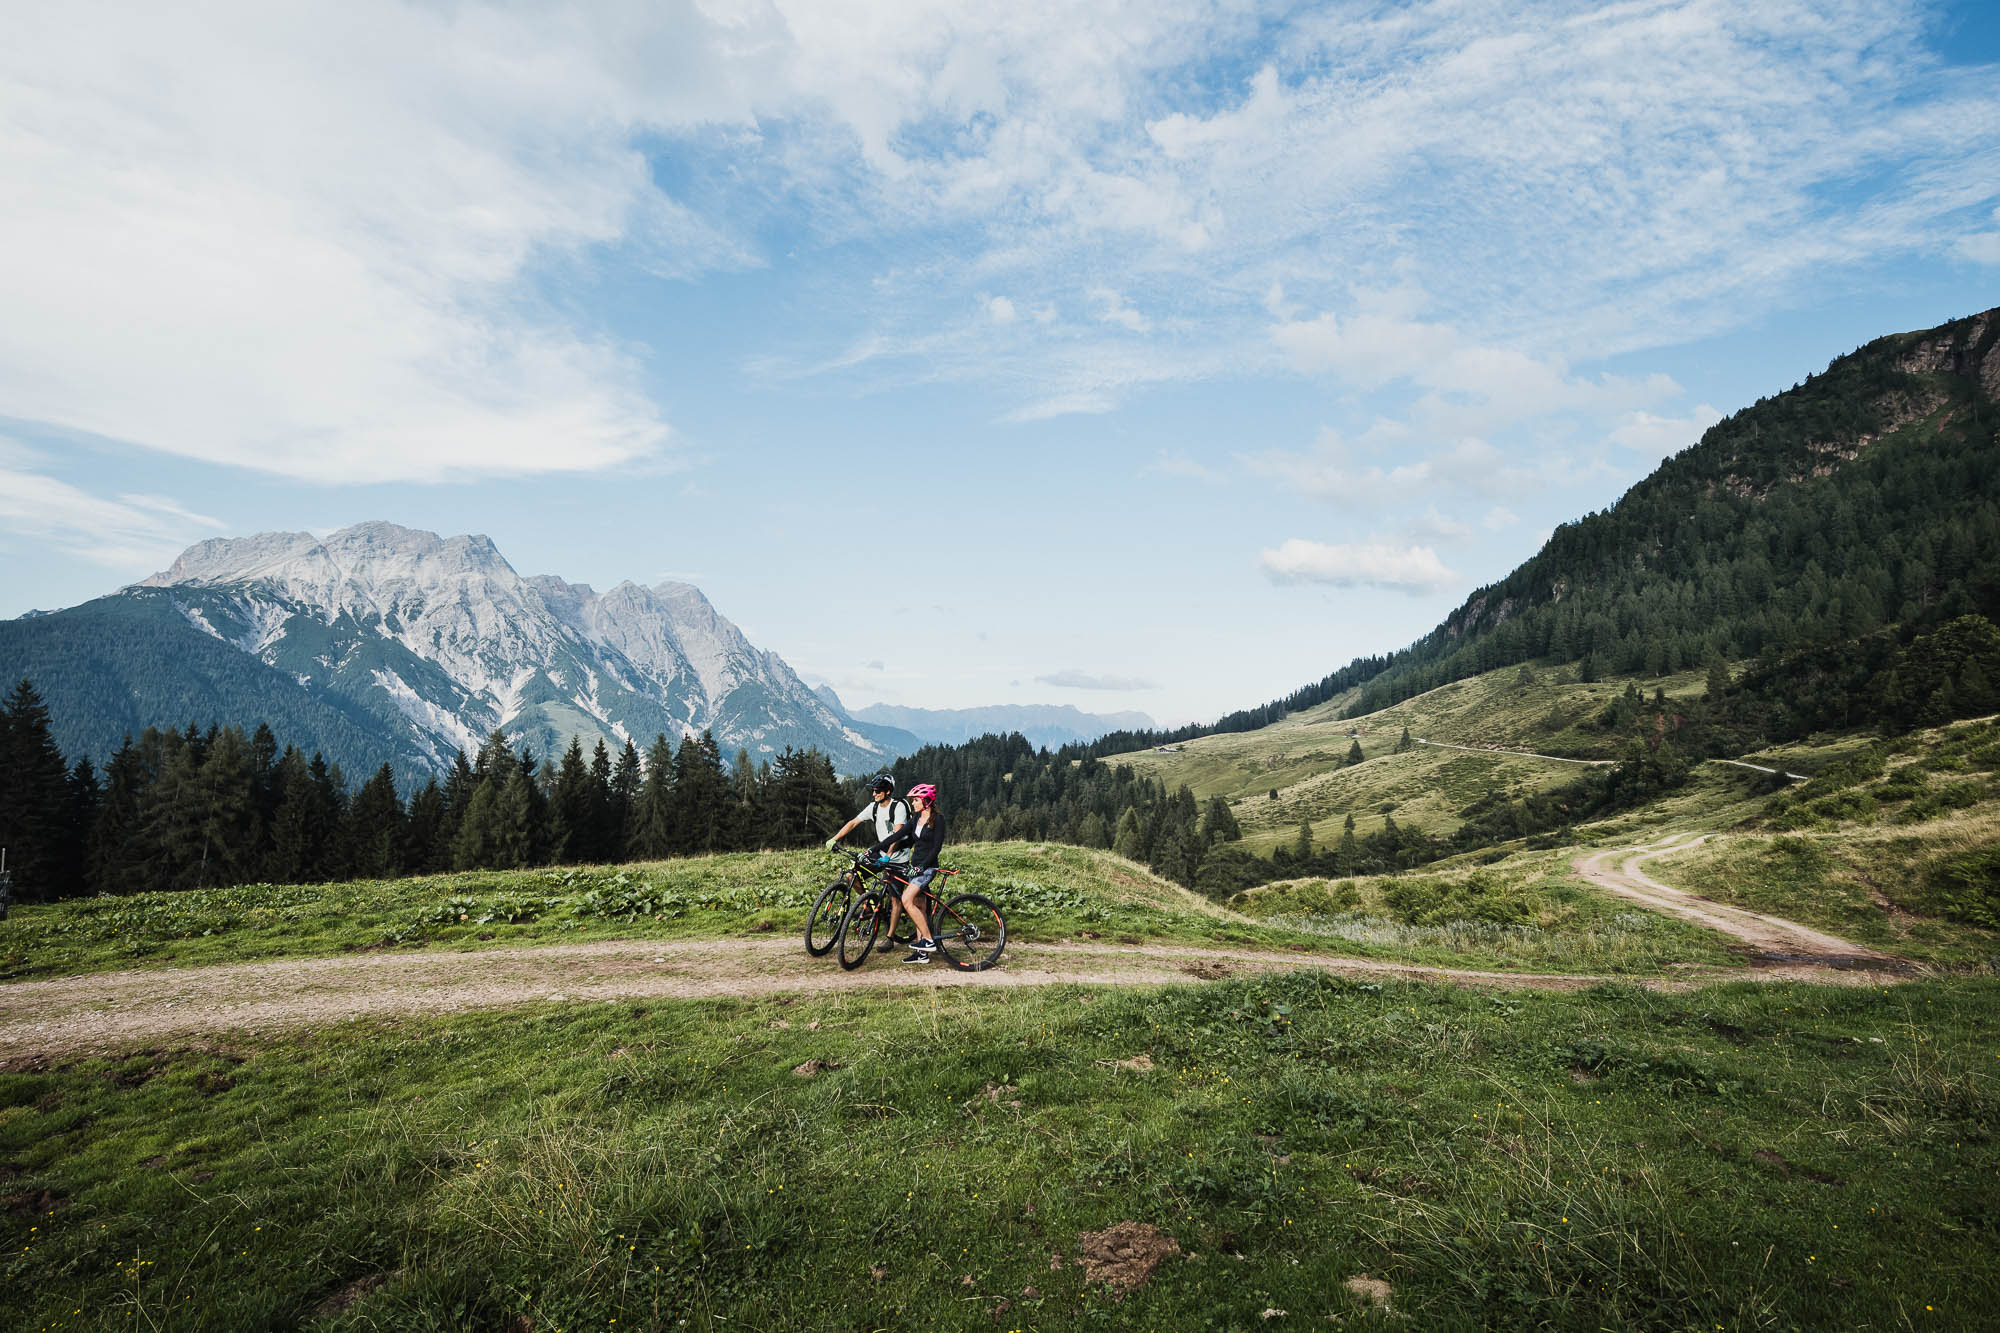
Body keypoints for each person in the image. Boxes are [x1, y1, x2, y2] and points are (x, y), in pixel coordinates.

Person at [871, 782, 944, 962]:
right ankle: (922, 954)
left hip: (927, 868)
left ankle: (928, 940)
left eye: (916, 800)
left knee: (906, 900)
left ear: (926, 801)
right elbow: (896, 836)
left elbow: (936, 848)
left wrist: (922, 866)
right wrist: (874, 849)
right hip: (916, 867)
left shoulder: (938, 819)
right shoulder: (916, 819)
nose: (913, 803)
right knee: (919, 907)